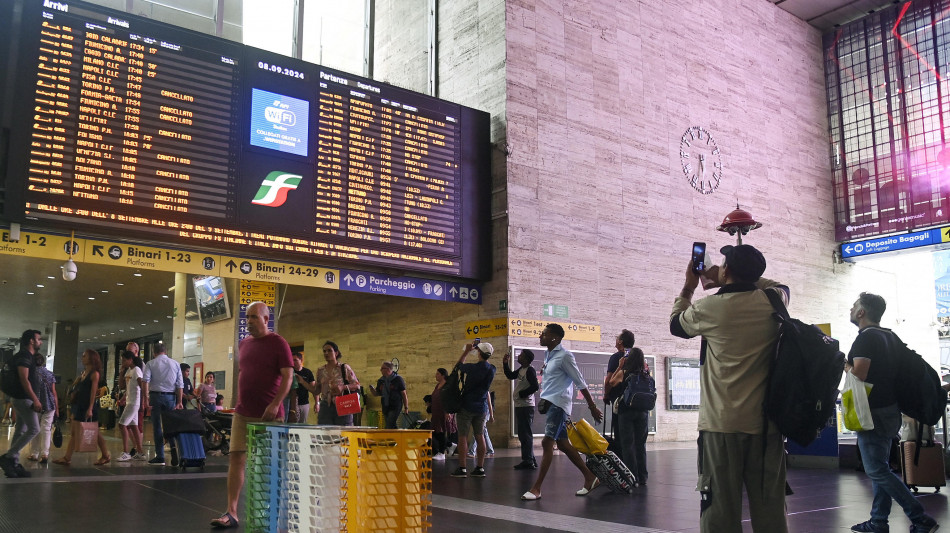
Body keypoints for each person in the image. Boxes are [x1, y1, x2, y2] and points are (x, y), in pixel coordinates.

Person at [669, 244, 789, 532]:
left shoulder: (709, 308)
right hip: (766, 426)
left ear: (726, 270)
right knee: (771, 509)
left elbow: (675, 325)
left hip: (721, 425)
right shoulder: (773, 300)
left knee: (720, 509)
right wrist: (734, 277)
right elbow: (781, 286)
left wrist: (689, 286)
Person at [846, 292, 940, 533]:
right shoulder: (890, 336)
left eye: (854, 306)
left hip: (872, 412)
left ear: (861, 312)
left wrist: (842, 363)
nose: (851, 309)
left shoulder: (866, 338)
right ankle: (878, 521)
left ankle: (920, 517)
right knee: (881, 468)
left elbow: (860, 374)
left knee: (876, 470)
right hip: (890, 410)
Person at [210, 301, 293, 529]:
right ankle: (231, 512)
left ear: (266, 319)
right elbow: (245, 374)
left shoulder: (279, 343)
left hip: (269, 416)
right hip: (243, 412)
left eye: (254, 317)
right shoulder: (244, 344)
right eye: (247, 317)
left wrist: (275, 404)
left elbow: (288, 377)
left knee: (268, 464)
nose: (249, 321)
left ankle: (271, 511)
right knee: (236, 458)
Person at [521, 324, 603, 500]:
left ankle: (536, 488)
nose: (540, 336)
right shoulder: (548, 355)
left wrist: (592, 407)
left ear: (555, 338)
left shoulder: (565, 356)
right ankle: (590, 477)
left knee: (547, 442)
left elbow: (580, 382)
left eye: (544, 334)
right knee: (564, 444)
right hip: (551, 404)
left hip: (559, 405)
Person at [53, 349, 111, 466]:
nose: (82, 358)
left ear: (91, 358)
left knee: (94, 432)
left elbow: (93, 393)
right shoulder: (83, 373)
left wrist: (90, 408)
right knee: (76, 432)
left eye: (85, 356)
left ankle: (105, 455)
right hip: (79, 406)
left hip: (88, 407)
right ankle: (67, 457)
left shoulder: (94, 374)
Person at [0, 330, 43, 478]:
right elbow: (24, 379)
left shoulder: (25, 356)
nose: (40, 342)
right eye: (39, 339)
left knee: (20, 430)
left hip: (20, 398)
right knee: (34, 429)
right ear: (31, 341)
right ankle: (9, 457)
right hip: (24, 398)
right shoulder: (25, 356)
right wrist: (35, 399)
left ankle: (13, 462)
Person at [451, 341, 496, 479]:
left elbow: (458, 366)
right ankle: (480, 468)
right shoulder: (492, 369)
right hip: (481, 407)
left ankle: (462, 468)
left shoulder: (472, 368)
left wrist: (466, 351)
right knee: (480, 436)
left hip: (466, 405)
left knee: (463, 436)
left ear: (479, 353)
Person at [607, 347, 650, 485]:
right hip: (643, 412)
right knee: (640, 444)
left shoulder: (624, 372)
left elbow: (611, 382)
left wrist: (619, 366)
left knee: (627, 445)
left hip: (626, 411)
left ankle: (632, 477)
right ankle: (643, 476)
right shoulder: (646, 374)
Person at [142, 342, 183, 466]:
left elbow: (145, 381)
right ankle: (173, 448)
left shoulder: (150, 363)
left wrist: (145, 399)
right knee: (170, 425)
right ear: (166, 351)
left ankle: (160, 456)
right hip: (171, 397)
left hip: (155, 396)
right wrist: (180, 401)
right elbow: (180, 385)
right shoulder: (175, 364)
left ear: (154, 352)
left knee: (157, 426)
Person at [306, 341, 360, 426]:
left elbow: (357, 385)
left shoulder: (344, 368)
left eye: (329, 350)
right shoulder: (320, 371)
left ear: (336, 353)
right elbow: (317, 390)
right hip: (325, 406)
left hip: (343, 404)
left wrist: (343, 387)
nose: (326, 353)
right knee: (325, 431)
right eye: (324, 351)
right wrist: (303, 382)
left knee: (343, 431)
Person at [504, 348, 539, 469]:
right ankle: (531, 459)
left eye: (521, 355)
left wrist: (522, 394)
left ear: (526, 358)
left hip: (526, 406)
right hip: (520, 405)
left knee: (525, 434)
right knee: (523, 434)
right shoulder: (522, 369)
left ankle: (528, 460)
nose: (519, 356)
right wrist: (505, 363)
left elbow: (535, 386)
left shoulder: (530, 370)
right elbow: (510, 375)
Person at [603, 329, 635, 456]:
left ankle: (622, 462)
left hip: (621, 403)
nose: (615, 340)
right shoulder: (637, 356)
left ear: (621, 342)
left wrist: (606, 395)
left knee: (620, 435)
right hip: (637, 403)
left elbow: (609, 381)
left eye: (617, 337)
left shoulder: (616, 357)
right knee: (635, 438)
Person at [27, 353, 58, 464]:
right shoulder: (50, 374)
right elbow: (54, 392)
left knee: (35, 428)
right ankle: (45, 454)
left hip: (36, 403)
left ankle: (34, 453)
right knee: (46, 428)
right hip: (50, 404)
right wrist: (57, 408)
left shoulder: (30, 374)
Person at [116, 350, 145, 462]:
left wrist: (144, 401)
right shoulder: (129, 371)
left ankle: (126, 452)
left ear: (130, 360)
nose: (122, 362)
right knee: (133, 426)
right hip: (129, 401)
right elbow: (125, 387)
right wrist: (123, 399)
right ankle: (140, 452)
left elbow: (141, 386)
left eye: (124, 360)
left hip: (134, 402)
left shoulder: (137, 370)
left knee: (122, 425)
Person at [369, 361, 409, 429]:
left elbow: (404, 394)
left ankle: (388, 435)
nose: (380, 370)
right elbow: (377, 394)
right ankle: (397, 435)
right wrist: (372, 390)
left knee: (389, 424)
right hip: (385, 406)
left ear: (388, 369)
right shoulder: (381, 381)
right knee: (391, 425)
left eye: (382, 368)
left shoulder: (398, 379)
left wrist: (406, 407)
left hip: (395, 406)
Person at [429, 368, 457, 461]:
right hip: (436, 412)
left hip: (444, 412)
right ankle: (450, 444)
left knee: (441, 431)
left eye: (437, 374)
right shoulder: (438, 385)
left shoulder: (447, 386)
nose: (436, 375)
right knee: (435, 431)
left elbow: (449, 399)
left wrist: (447, 412)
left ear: (443, 375)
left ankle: (441, 453)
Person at [292, 352, 315, 423]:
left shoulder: (307, 372)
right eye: (292, 360)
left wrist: (317, 403)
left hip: (304, 403)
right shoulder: (290, 371)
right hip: (292, 403)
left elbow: (314, 388)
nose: (293, 362)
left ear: (301, 360)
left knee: (303, 424)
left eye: (295, 360)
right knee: (293, 423)